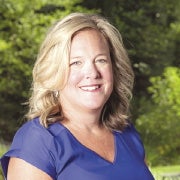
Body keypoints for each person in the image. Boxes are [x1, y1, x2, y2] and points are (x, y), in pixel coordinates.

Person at [0, 12, 154, 180]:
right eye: (76, 63)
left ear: (114, 68)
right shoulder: (38, 142)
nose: (92, 73)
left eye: (100, 60)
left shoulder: (127, 134)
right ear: (54, 72)